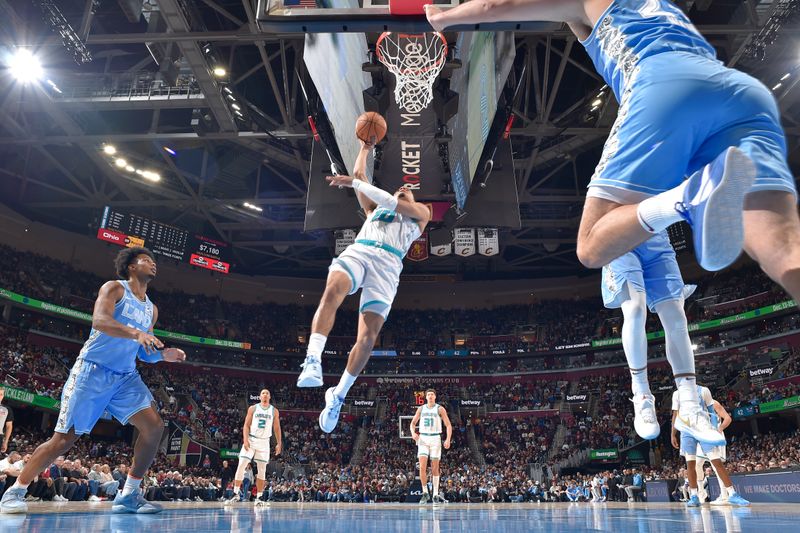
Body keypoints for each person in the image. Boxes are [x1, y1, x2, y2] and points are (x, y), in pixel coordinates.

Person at [425, 1, 800, 298]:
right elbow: (577, 25)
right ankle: (702, 193)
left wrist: (445, 17)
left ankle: (690, 196)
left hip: (662, 84)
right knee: (782, 249)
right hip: (739, 92)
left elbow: (494, 8)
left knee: (591, 246)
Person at [0, 247, 186, 514]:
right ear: (132, 266)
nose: (153, 264)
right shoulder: (115, 289)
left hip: (124, 377)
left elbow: (145, 352)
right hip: (93, 371)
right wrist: (136, 333)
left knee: (154, 426)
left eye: (154, 261)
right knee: (63, 440)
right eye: (146, 260)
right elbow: (100, 321)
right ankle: (16, 490)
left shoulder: (151, 310)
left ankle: (128, 495)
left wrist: (163, 355)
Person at [296, 134, 432, 433]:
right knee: (332, 289)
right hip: (362, 249)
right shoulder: (373, 212)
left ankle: (338, 395)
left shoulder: (421, 214)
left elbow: (384, 197)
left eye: (408, 189)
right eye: (401, 187)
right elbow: (359, 175)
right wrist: (364, 149)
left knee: (368, 338)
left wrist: (357, 184)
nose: (404, 188)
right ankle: (312, 359)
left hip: (388, 266)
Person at [601, 234, 722, 445]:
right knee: (636, 310)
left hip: (656, 240)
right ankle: (641, 395)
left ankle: (690, 406)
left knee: (677, 317)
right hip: (619, 238)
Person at [671, 385, 750, 507]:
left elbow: (712, 412)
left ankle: (731, 494)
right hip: (687, 431)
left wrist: (715, 429)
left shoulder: (703, 391)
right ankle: (695, 495)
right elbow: (675, 416)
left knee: (716, 462)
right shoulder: (677, 394)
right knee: (692, 464)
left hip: (705, 430)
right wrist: (673, 434)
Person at [226, 389, 281, 505]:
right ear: (260, 397)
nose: (265, 394)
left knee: (262, 470)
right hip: (251, 439)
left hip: (264, 442)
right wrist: (245, 440)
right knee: (241, 465)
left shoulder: (274, 411)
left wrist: (279, 443)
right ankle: (235, 494)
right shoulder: (253, 408)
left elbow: (276, 428)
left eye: (267, 393)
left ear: (270, 397)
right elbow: (246, 425)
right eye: (263, 393)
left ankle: (259, 498)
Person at [410, 389, 453, 504]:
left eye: (432, 394)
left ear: (435, 396)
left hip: (435, 438)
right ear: (426, 397)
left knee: (435, 467)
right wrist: (413, 433)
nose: (430, 396)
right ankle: (425, 493)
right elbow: (413, 423)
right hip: (423, 438)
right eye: (428, 394)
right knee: (422, 467)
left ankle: (435, 494)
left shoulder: (440, 409)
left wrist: (448, 439)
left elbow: (448, 425)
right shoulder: (421, 408)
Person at [0, 387, 14, 454]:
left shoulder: (7, 409)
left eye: (1, 394)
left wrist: (5, 441)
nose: (0, 396)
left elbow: (9, 426)